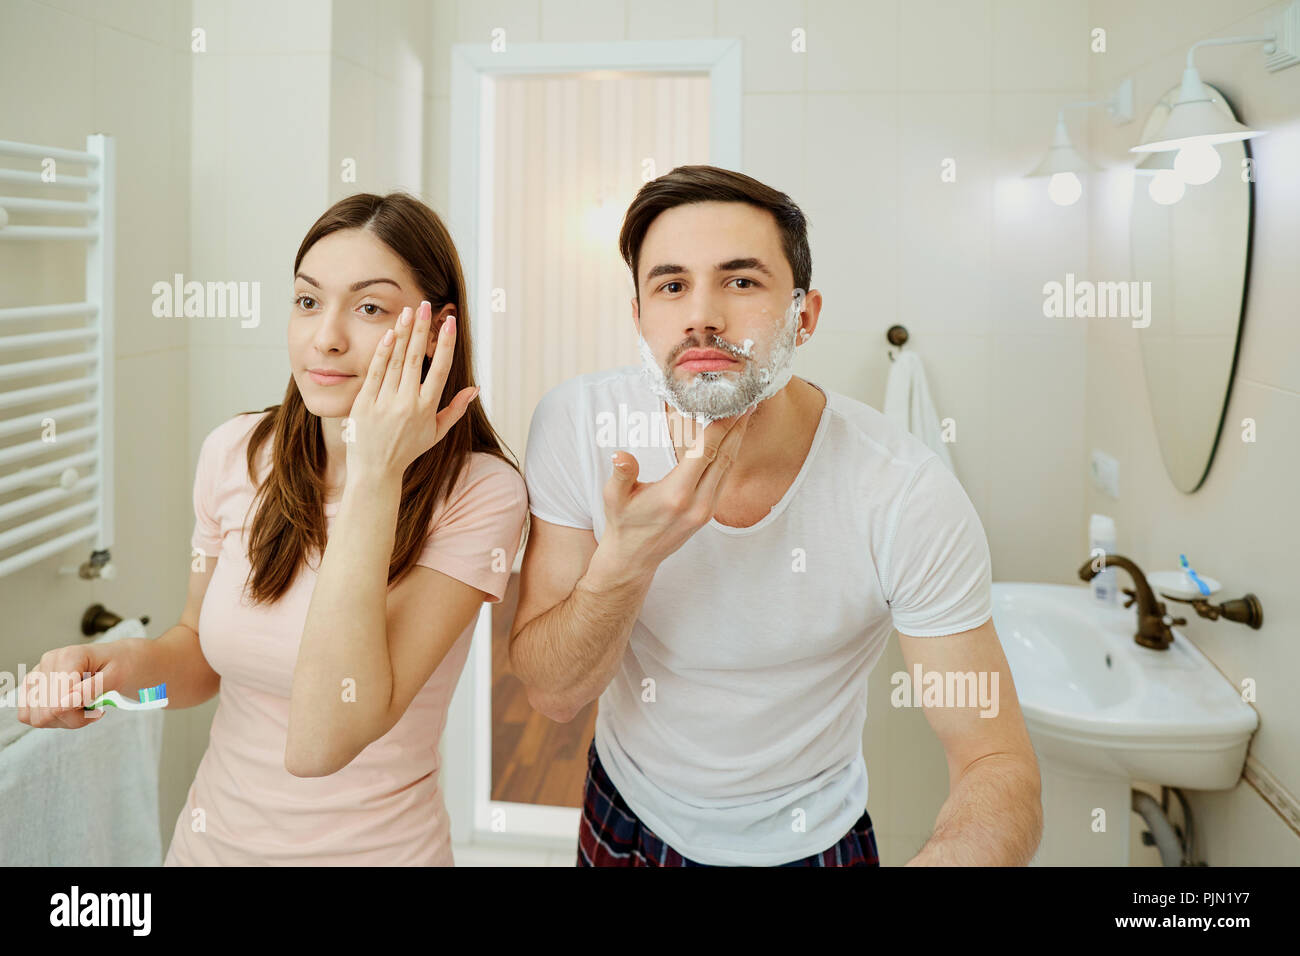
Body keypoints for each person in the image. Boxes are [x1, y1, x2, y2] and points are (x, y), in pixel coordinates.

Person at [508, 165, 1042, 867]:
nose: (702, 314)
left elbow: (996, 760)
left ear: (804, 315)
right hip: (628, 808)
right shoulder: (578, 425)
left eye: (740, 281)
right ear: (639, 319)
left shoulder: (903, 491)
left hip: (813, 835)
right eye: (671, 285)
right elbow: (552, 692)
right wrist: (627, 560)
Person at [18, 192, 528, 866]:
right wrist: (111, 679)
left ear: (438, 333)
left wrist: (374, 472)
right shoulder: (236, 454)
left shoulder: (480, 494)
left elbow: (322, 738)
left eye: (370, 307)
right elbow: (198, 658)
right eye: (308, 301)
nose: (326, 337)